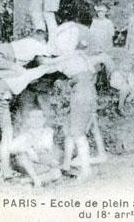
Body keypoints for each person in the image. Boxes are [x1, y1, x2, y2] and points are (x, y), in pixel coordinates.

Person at [45, 23, 111, 180]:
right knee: (72, 129)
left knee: (77, 133)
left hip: (81, 93)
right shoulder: (80, 55)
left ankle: (86, 170)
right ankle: (67, 164)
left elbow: (47, 66)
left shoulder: (68, 57)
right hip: (86, 92)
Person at [0, 58, 57, 179]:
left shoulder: (6, 69)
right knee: (7, 133)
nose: (37, 82)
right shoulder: (24, 74)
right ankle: (5, 169)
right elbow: (44, 69)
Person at [8, 108, 62, 187]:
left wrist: (34, 149)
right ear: (28, 120)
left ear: (44, 119)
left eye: (39, 117)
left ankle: (28, 180)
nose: (36, 120)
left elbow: (47, 147)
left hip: (42, 163)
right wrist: (28, 149)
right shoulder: (25, 134)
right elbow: (10, 148)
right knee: (23, 154)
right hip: (28, 165)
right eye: (33, 117)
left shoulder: (48, 131)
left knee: (57, 173)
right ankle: (36, 179)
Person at [108, 48, 134, 115]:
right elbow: (113, 84)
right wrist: (124, 86)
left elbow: (133, 85)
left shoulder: (130, 74)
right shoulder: (117, 73)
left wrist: (132, 95)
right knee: (124, 88)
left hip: (128, 90)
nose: (127, 67)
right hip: (117, 89)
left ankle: (128, 103)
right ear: (121, 65)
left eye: (129, 65)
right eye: (125, 65)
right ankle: (120, 108)